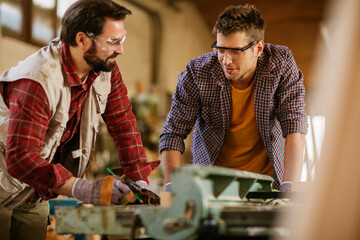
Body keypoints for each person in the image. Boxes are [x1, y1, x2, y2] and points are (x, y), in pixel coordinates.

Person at [0, 0, 159, 239]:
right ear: (83, 40)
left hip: (35, 191)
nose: (120, 50)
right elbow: (21, 158)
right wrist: (82, 188)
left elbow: (123, 124)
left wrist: (141, 184)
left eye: (122, 40)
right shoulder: (37, 80)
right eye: (113, 42)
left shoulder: (105, 70)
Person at [159, 4, 308, 192]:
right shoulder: (198, 72)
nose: (226, 60)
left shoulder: (280, 64)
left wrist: (289, 187)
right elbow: (173, 133)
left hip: (267, 183)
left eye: (236, 52)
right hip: (212, 184)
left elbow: (294, 125)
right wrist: (173, 187)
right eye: (220, 50)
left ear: (259, 48)